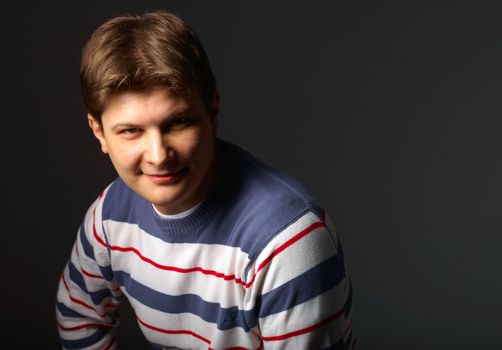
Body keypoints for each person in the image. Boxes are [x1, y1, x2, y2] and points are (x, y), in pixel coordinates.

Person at [55, 10, 355, 350]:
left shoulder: (287, 242)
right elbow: (77, 313)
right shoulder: (109, 215)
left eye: (177, 123)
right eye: (131, 131)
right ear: (100, 133)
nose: (158, 154)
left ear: (212, 112)